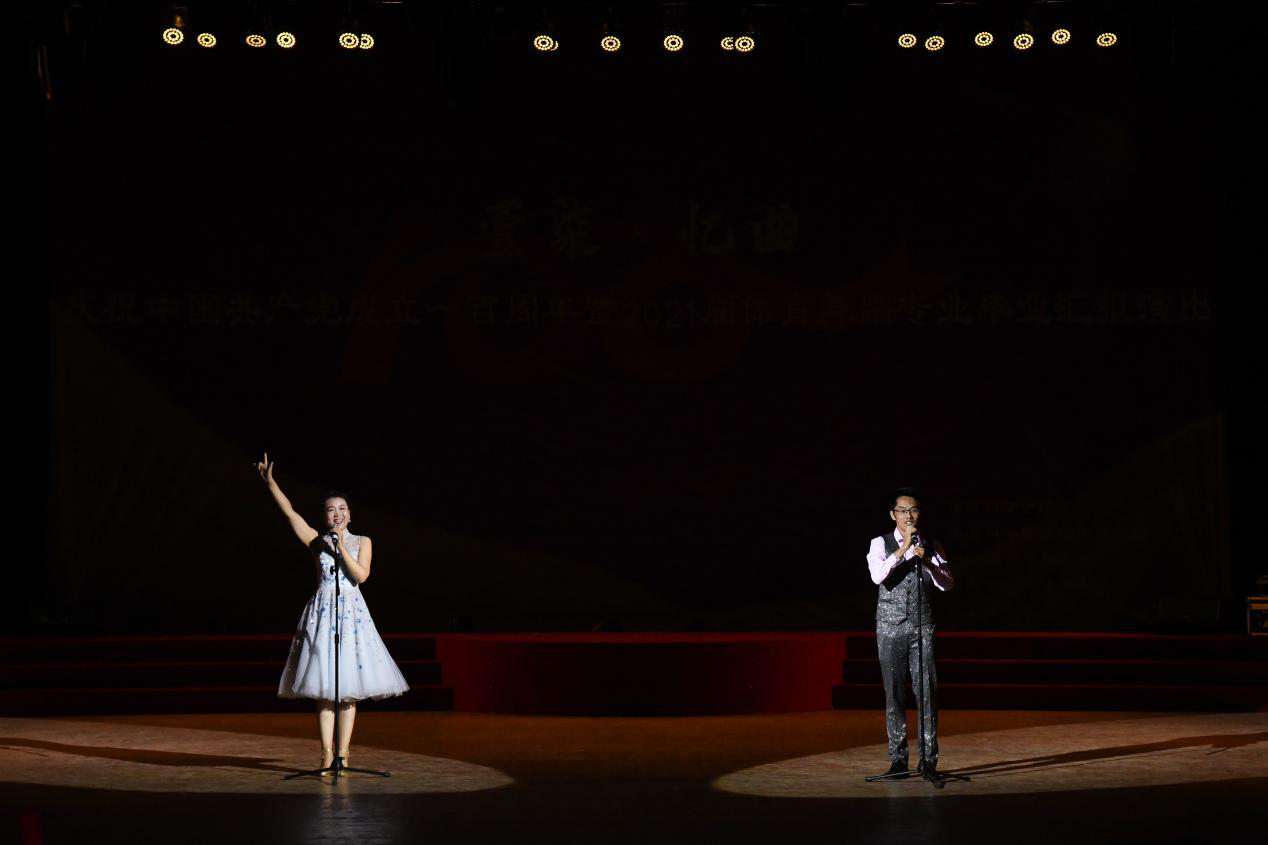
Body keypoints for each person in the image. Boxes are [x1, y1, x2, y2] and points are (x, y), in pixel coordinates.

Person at [255, 453, 409, 773]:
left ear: (349, 514)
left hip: (352, 616)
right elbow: (290, 513)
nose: (337, 513)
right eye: (330, 509)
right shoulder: (316, 542)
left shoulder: (363, 541)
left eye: (342, 509)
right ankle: (326, 754)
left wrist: (339, 548)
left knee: (348, 690)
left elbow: (361, 576)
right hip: (323, 616)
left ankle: (344, 754)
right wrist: (271, 484)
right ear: (324, 516)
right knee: (325, 689)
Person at [866, 487, 954, 785]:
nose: (908, 516)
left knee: (927, 692)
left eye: (913, 510)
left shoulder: (931, 545)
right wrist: (903, 549)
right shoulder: (880, 543)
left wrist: (927, 561)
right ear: (893, 514)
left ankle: (928, 760)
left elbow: (947, 584)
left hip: (922, 625)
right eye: (903, 511)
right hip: (889, 625)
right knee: (894, 694)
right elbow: (878, 576)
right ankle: (898, 760)